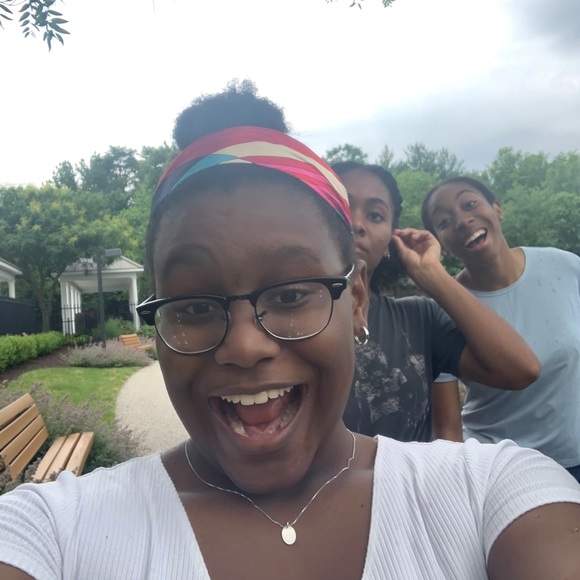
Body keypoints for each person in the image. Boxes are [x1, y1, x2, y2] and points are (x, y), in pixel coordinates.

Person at [0, 83, 579, 579]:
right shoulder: (56, 531)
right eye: (194, 305)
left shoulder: (490, 494)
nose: (244, 346)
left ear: (356, 300)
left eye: (292, 294)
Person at [332, 162, 525, 443]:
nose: (356, 224)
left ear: (389, 243)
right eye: (342, 207)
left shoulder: (419, 319)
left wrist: (432, 274)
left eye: (375, 215)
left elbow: (520, 370)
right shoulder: (272, 314)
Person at [422, 175, 580, 482]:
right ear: (440, 244)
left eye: (470, 204)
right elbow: (447, 431)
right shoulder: (442, 310)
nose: (463, 221)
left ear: (497, 209)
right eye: (444, 222)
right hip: (504, 469)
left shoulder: (565, 266)